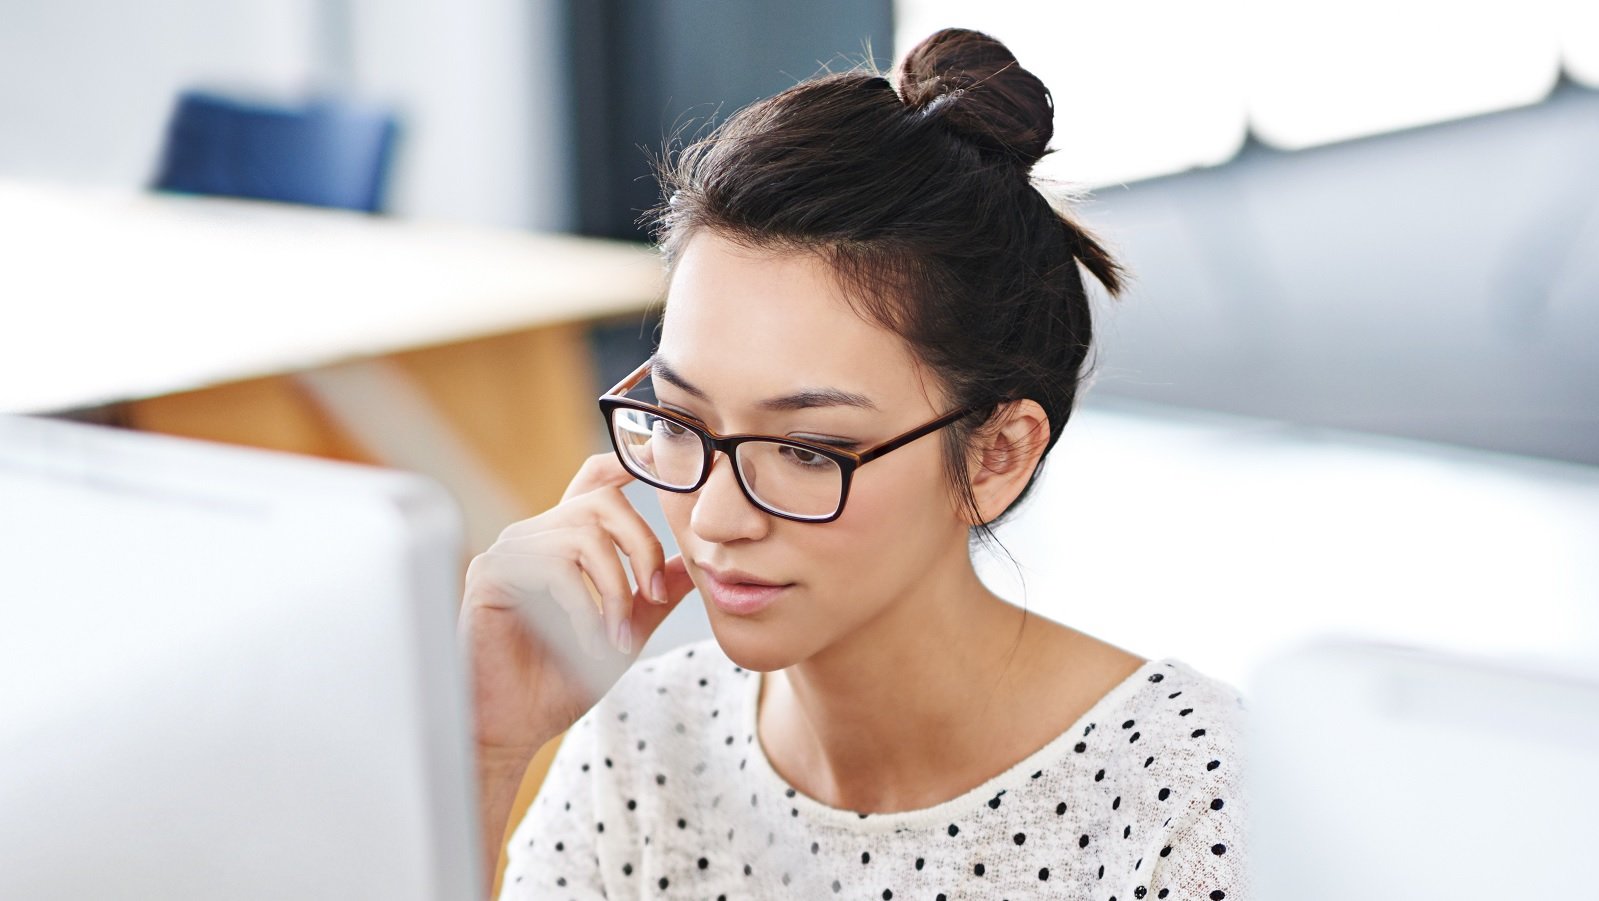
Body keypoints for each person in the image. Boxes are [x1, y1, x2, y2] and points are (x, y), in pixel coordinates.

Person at [465, 27, 1251, 901]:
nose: (718, 517)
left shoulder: (1197, 802)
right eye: (680, 419)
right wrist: (484, 752)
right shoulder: (644, 737)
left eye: (805, 450)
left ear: (996, 454)